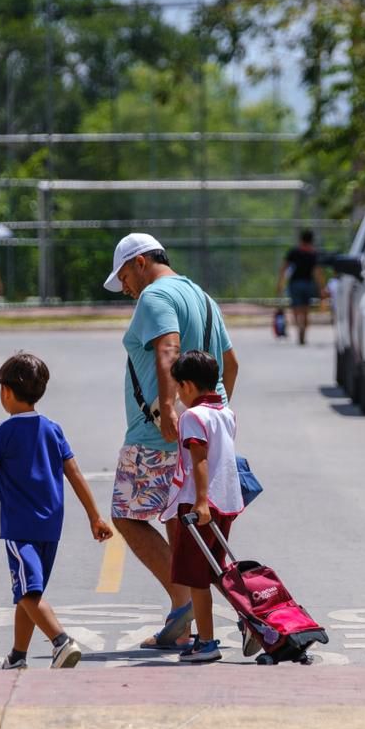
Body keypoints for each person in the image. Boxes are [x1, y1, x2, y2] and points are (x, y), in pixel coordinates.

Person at [101, 233, 240, 649]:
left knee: (126, 515)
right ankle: (200, 622)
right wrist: (215, 416)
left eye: (125, 277)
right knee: (185, 526)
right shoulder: (203, 298)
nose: (126, 288)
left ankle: (183, 606)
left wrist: (167, 411)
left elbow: (168, 348)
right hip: (204, 432)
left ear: (141, 262)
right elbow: (230, 364)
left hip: (156, 435)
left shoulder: (155, 296)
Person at [0, 353, 114, 669]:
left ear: (6, 392)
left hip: (20, 527)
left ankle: (61, 642)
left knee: (26, 592)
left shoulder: (2, 432)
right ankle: (17, 656)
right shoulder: (53, 429)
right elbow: (75, 474)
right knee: (29, 592)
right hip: (51, 526)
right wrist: (95, 516)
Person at [159, 350, 245, 663]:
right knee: (216, 571)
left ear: (189, 385)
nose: (178, 395)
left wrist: (201, 501)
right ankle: (248, 620)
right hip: (226, 502)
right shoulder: (226, 413)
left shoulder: (192, 417)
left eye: (179, 388)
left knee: (196, 578)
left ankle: (207, 642)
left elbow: (200, 459)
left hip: (199, 507)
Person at [276, 229, 326, 346]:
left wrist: (280, 283)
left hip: (295, 283)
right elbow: (317, 272)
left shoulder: (294, 252)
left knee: (296, 308)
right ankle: (304, 328)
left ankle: (299, 326)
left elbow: (284, 267)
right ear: (312, 240)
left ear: (301, 239)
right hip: (308, 283)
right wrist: (321, 288)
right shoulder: (313, 254)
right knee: (306, 309)